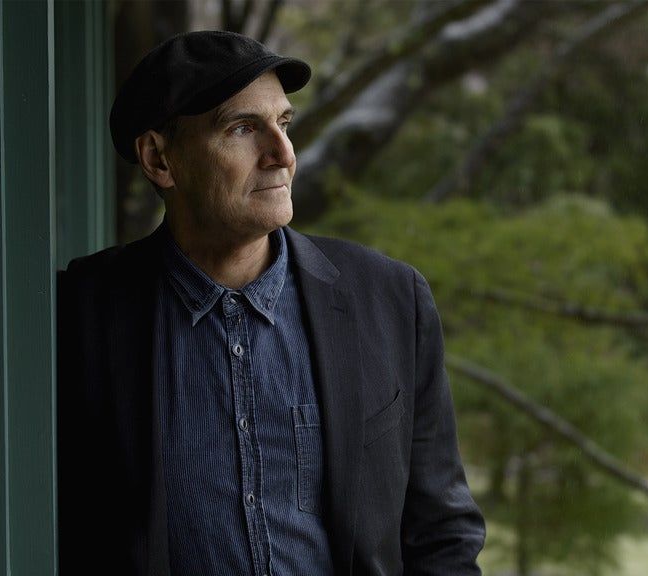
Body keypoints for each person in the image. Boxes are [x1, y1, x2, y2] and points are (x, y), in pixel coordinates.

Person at [57, 31, 485, 576]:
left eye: (283, 123)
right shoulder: (81, 313)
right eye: (242, 128)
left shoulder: (392, 299)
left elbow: (443, 535)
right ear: (159, 159)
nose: (283, 155)